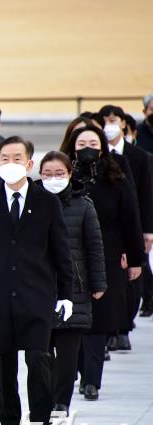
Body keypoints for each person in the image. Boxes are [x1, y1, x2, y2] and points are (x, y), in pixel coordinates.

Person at [0, 136, 73, 425]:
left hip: (37, 294)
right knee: (5, 363)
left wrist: (65, 294)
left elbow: (60, 252)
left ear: (29, 164)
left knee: (38, 359)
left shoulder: (46, 202)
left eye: (17, 158)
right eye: (5, 158)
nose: (10, 164)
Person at [64, 126, 144, 401]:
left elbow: (130, 218)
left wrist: (135, 258)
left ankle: (91, 380)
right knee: (72, 319)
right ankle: (73, 369)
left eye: (93, 142)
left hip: (107, 256)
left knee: (97, 320)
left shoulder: (115, 177)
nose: (87, 146)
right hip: (70, 256)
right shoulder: (63, 176)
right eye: (81, 142)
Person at [38, 151, 106, 416]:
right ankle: (44, 395)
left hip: (74, 288)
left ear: (69, 174)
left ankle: (61, 400)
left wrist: (98, 283)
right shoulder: (32, 203)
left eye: (59, 174)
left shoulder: (83, 205)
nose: (53, 179)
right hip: (39, 286)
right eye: (47, 174)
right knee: (41, 351)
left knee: (67, 351)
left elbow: (94, 247)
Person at [96, 105, 153, 351]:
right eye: (105, 121)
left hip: (133, 224)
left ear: (123, 123)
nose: (109, 125)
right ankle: (112, 329)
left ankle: (124, 326)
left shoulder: (138, 157)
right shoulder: (96, 159)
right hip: (107, 228)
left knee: (132, 277)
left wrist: (147, 230)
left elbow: (145, 195)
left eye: (113, 120)